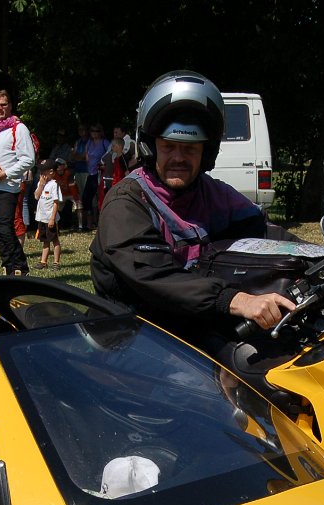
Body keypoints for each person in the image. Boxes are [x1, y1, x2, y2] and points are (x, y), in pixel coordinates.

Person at [90, 71, 295, 340]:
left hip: (189, 329)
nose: (179, 157)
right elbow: (155, 276)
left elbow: (267, 233)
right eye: (169, 146)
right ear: (151, 147)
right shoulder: (127, 202)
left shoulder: (213, 194)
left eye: (190, 149)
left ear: (206, 153)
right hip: (131, 336)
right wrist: (236, 300)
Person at [0, 90, 35, 275]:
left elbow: (29, 159)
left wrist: (5, 174)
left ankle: (21, 267)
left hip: (8, 186)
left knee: (5, 227)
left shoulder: (18, 128)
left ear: (10, 105)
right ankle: (8, 265)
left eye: (3, 104)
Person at [33, 159, 62, 268]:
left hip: (50, 218)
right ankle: (43, 262)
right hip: (42, 218)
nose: (41, 173)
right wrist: (41, 184)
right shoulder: (41, 183)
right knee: (45, 240)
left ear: (51, 172)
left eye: (43, 171)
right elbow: (36, 196)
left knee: (54, 240)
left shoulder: (54, 185)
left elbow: (55, 202)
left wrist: (52, 218)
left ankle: (56, 262)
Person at [82, 124, 110, 229]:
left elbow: (111, 155)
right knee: (86, 198)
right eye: (92, 131)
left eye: (96, 131)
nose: (94, 133)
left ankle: (100, 221)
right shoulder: (89, 142)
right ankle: (90, 223)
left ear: (100, 132)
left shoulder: (105, 142)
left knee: (100, 197)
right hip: (91, 173)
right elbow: (86, 156)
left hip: (100, 174)